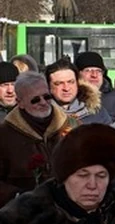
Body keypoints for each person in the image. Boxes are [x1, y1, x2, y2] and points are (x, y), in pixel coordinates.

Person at [0, 72, 74, 207]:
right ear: (20, 103)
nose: (43, 103)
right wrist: (17, 196)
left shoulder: (72, 126)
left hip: (68, 209)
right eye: (35, 100)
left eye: (47, 97)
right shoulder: (4, 135)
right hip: (22, 214)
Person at [45, 58, 111, 125]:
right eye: (59, 83)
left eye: (71, 82)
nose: (66, 88)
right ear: (48, 86)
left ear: (77, 83)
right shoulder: (40, 114)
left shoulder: (98, 113)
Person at [75, 51, 115, 122]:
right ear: (78, 74)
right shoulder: (69, 98)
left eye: (98, 71)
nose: (94, 75)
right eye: (88, 70)